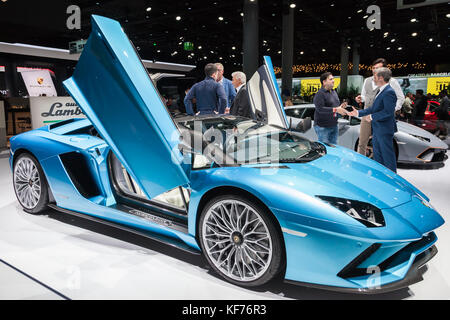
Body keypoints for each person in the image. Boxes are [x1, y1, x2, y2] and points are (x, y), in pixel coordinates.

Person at [349, 67, 398, 173]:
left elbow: (388, 112)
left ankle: (393, 179)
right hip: (378, 129)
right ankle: (381, 177)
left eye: (374, 77)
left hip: (384, 130)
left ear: (380, 78)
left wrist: (371, 117)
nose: (373, 79)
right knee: (378, 156)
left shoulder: (389, 92)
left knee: (387, 157)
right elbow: (373, 108)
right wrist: (358, 113)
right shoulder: (381, 91)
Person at [355, 58, 404, 156]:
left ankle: (382, 166)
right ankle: (360, 164)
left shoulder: (392, 81)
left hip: (382, 116)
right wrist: (361, 98)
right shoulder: (367, 80)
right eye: (374, 68)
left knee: (382, 143)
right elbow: (365, 96)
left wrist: (391, 109)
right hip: (367, 115)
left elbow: (400, 98)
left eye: (378, 68)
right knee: (362, 142)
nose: (375, 70)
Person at [313, 72, 347, 145]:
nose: (333, 81)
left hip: (334, 125)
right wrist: (336, 109)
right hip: (323, 127)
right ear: (324, 82)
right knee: (325, 150)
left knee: (334, 149)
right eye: (331, 79)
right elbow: (320, 109)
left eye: (333, 79)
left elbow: (335, 107)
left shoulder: (334, 92)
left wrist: (341, 107)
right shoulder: (320, 94)